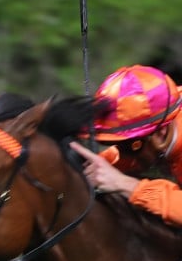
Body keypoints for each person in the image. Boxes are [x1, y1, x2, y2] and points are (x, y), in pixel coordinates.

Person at [71, 64, 182, 225]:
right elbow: (126, 153)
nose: (122, 153)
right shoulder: (164, 113)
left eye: (128, 146)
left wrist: (123, 183)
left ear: (161, 133)